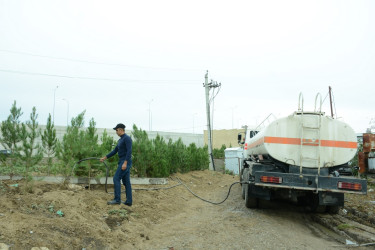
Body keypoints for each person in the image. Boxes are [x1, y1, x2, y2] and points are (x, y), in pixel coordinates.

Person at [100, 123, 133, 206]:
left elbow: (129, 151)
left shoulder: (127, 138)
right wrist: (105, 157)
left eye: (117, 130)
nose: (116, 132)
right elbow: (115, 151)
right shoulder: (120, 140)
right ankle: (129, 201)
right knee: (126, 182)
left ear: (121, 130)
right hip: (122, 161)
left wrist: (125, 163)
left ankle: (117, 199)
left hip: (125, 161)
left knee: (116, 178)